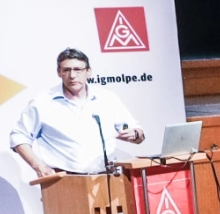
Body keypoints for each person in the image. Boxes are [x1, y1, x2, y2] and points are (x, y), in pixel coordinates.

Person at [10, 48, 146, 177]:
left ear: (88, 72)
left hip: (108, 177)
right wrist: (38, 166)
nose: (72, 76)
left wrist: (134, 134)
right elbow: (19, 137)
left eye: (78, 69)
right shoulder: (43, 102)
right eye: (66, 70)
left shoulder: (107, 98)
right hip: (65, 180)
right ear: (59, 72)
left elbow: (138, 133)